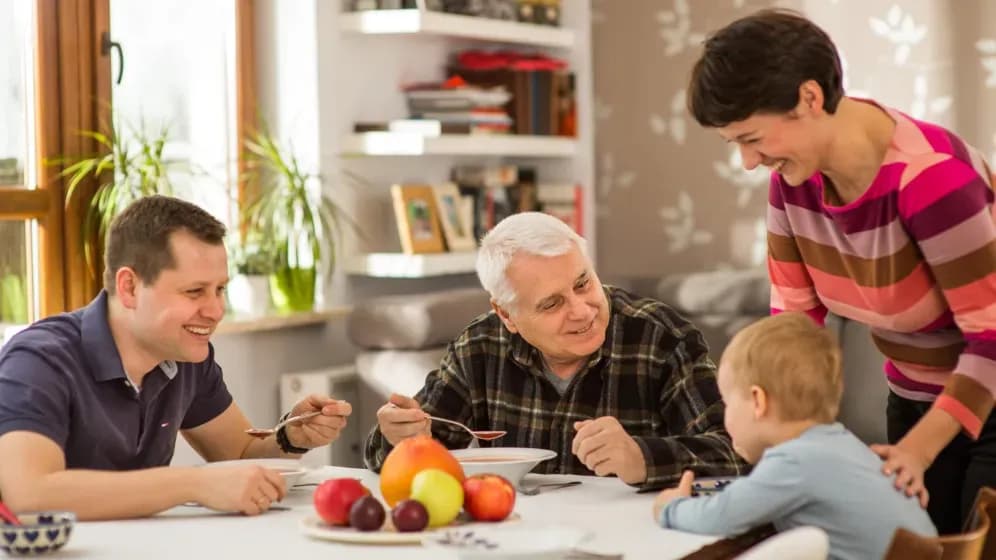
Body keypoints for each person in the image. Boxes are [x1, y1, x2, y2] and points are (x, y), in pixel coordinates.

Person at [687, 8, 996, 533]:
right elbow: (793, 329)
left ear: (810, 98)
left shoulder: (931, 180)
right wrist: (775, 447)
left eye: (751, 138)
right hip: (913, 397)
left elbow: (991, 337)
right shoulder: (792, 183)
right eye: (733, 143)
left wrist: (917, 452)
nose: (747, 161)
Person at [0, 195, 352, 520]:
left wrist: (290, 436)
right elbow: (30, 493)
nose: (215, 311)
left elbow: (240, 453)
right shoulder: (38, 362)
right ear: (130, 287)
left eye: (220, 289)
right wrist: (192, 484)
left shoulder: (186, 357)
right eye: (194, 291)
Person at [364, 212, 745, 490]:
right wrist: (398, 438)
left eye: (583, 283)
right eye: (552, 304)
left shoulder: (662, 339)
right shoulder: (479, 347)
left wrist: (643, 458)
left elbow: (736, 453)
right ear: (506, 314)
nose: (582, 311)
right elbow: (405, 454)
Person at [653, 313, 937, 560]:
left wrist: (672, 507)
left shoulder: (794, 461)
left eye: (727, 402)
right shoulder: (843, 445)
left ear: (757, 401)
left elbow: (721, 516)